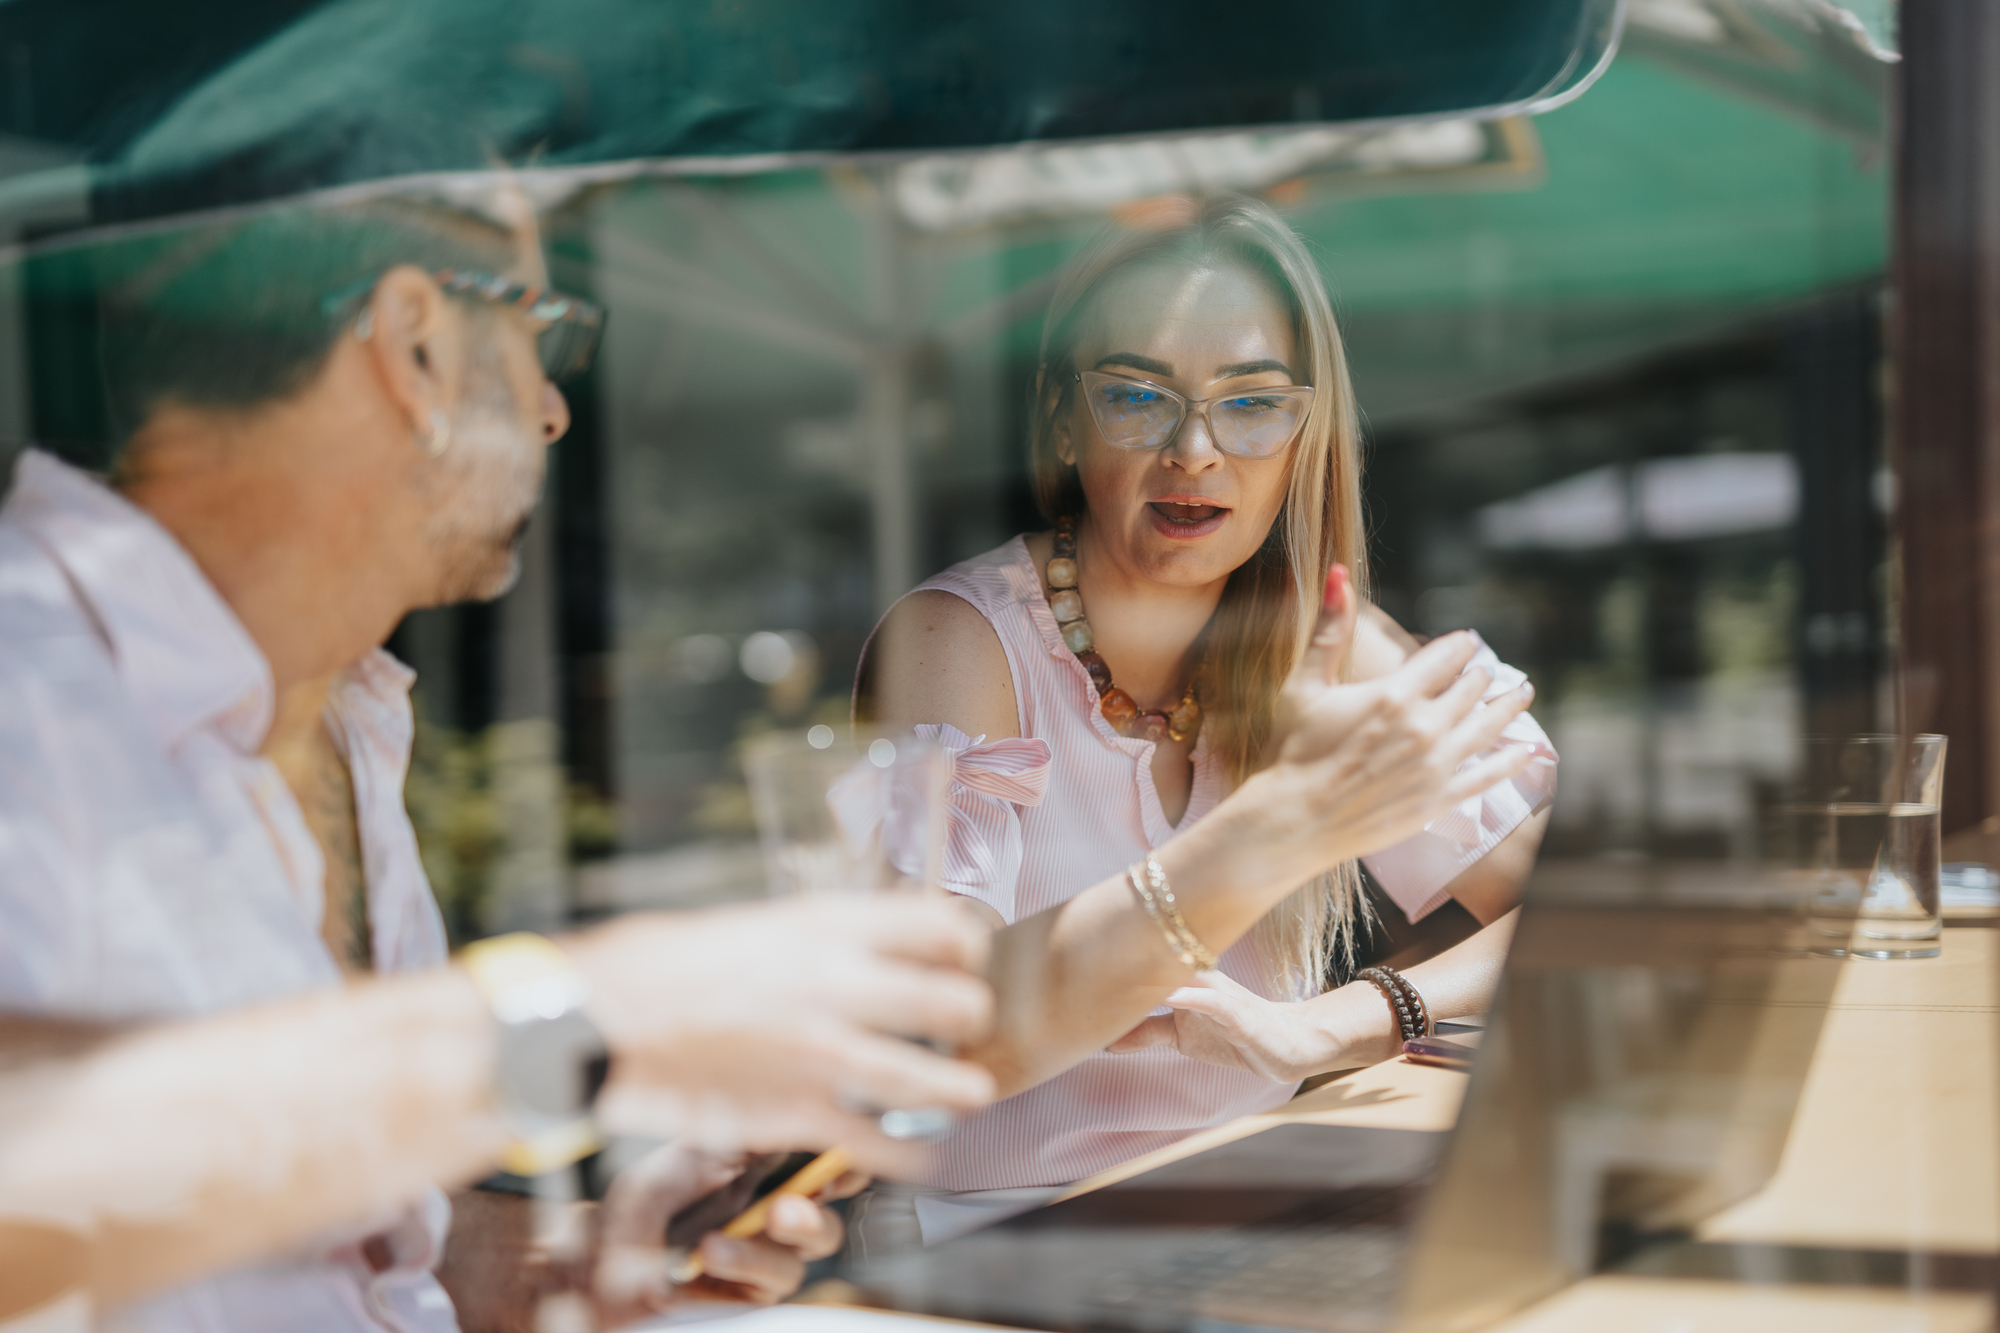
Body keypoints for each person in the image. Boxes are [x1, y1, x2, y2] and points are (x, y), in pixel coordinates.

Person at [0, 185, 995, 1331]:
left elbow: (296, 1254)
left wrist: (563, 1266)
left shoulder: (344, 711)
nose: (556, 408)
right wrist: (581, 1023)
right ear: (416, 342)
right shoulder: (30, 688)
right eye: (541, 330)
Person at [860, 194, 1558, 1215]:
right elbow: (934, 1032)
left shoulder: (1320, 639)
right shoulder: (957, 641)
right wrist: (1280, 828)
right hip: (1002, 1226)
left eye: (1250, 400)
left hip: (1267, 1184)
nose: (1194, 448)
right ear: (1061, 417)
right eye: (1139, 396)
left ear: (1301, 433)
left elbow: (1578, 908)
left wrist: (1339, 1026)